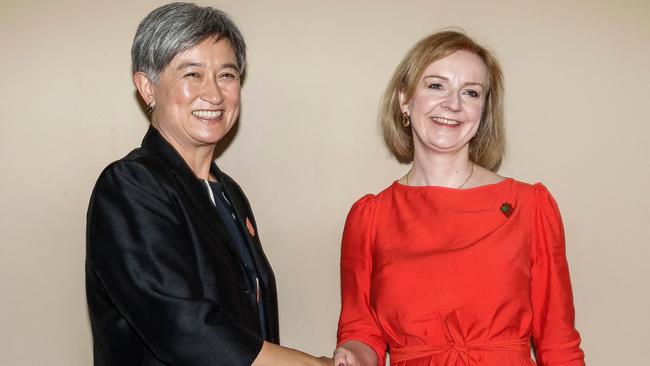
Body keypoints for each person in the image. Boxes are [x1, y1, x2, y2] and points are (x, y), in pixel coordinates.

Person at [86, 3, 331, 366]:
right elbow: (183, 328)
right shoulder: (129, 185)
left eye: (227, 75)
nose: (214, 94)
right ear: (147, 87)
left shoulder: (230, 193)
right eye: (192, 74)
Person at [333, 30, 585, 366]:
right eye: (436, 85)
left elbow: (559, 342)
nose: (453, 104)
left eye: (471, 92)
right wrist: (352, 356)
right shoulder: (370, 217)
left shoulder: (530, 206)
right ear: (405, 99)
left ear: (483, 110)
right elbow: (361, 330)